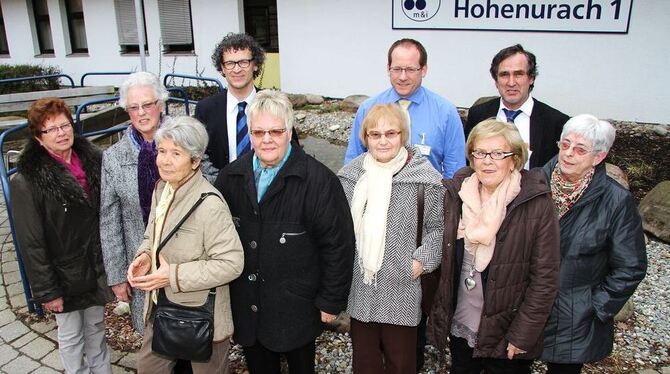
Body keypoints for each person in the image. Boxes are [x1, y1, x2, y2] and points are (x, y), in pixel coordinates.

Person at [215, 90, 354, 374]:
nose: (267, 139)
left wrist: (330, 300)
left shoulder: (319, 181)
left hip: (296, 308)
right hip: (249, 304)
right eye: (259, 132)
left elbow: (338, 245)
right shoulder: (230, 177)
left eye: (276, 131)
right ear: (250, 134)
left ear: (289, 132)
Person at [428, 119, 560, 373]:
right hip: (462, 323)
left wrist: (523, 334)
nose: (487, 161)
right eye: (480, 153)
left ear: (514, 158)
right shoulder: (457, 194)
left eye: (498, 153)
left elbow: (545, 278)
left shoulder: (535, 202)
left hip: (506, 331)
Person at [127, 116, 244, 373]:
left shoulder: (211, 204)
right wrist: (145, 255)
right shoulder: (162, 189)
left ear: (195, 161)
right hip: (163, 309)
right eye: (162, 151)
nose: (164, 160)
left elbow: (232, 263)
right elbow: (152, 235)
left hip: (202, 317)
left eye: (176, 153)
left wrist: (173, 275)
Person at [338, 103, 444, 373]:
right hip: (362, 287)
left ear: (403, 135)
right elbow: (337, 230)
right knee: (365, 363)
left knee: (402, 364)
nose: (383, 141)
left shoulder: (426, 179)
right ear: (365, 138)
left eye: (391, 133)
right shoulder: (350, 177)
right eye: (375, 134)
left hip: (402, 287)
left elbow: (439, 229)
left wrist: (420, 262)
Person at [11, 98, 114, 373]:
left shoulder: (93, 160)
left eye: (65, 125)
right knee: (71, 337)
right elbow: (31, 242)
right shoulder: (27, 180)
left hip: (93, 266)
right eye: (51, 129)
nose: (61, 133)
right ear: (38, 137)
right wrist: (47, 291)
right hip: (63, 274)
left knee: (95, 329)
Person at [541, 114, 647, 374]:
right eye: (564, 145)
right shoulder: (534, 182)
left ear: (598, 157)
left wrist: (595, 306)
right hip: (526, 304)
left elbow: (631, 266)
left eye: (579, 150)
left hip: (574, 314)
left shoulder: (616, 201)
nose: (568, 154)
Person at [99, 71, 169, 334]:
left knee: (189, 335)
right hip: (140, 263)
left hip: (181, 261)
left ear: (160, 104)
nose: (141, 113)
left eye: (147, 104)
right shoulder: (114, 157)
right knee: (152, 338)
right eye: (134, 107)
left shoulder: (185, 140)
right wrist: (117, 275)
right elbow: (109, 220)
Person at [344, 38, 465, 179]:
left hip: (427, 196)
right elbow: (352, 164)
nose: (402, 77)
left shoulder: (446, 112)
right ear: (388, 69)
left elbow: (455, 170)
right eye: (397, 69)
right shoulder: (368, 109)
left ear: (424, 70)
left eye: (410, 69)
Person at [195, 33, 298, 180]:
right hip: (221, 192)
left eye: (244, 62)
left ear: (255, 65)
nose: (237, 70)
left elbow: (293, 152)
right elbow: (197, 154)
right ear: (222, 68)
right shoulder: (205, 109)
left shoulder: (276, 105)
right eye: (230, 63)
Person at [466, 44, 569, 169]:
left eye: (518, 74)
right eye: (504, 75)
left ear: (531, 78)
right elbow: (469, 162)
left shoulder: (555, 122)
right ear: (496, 81)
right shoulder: (478, 115)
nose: (511, 82)